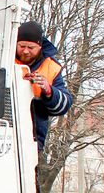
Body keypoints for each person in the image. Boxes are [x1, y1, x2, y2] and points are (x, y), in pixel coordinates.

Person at [15, 21, 72, 151]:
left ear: (40, 47)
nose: (25, 51)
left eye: (31, 48)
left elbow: (65, 105)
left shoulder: (51, 67)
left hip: (33, 140)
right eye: (21, 46)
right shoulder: (3, 57)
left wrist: (49, 91)